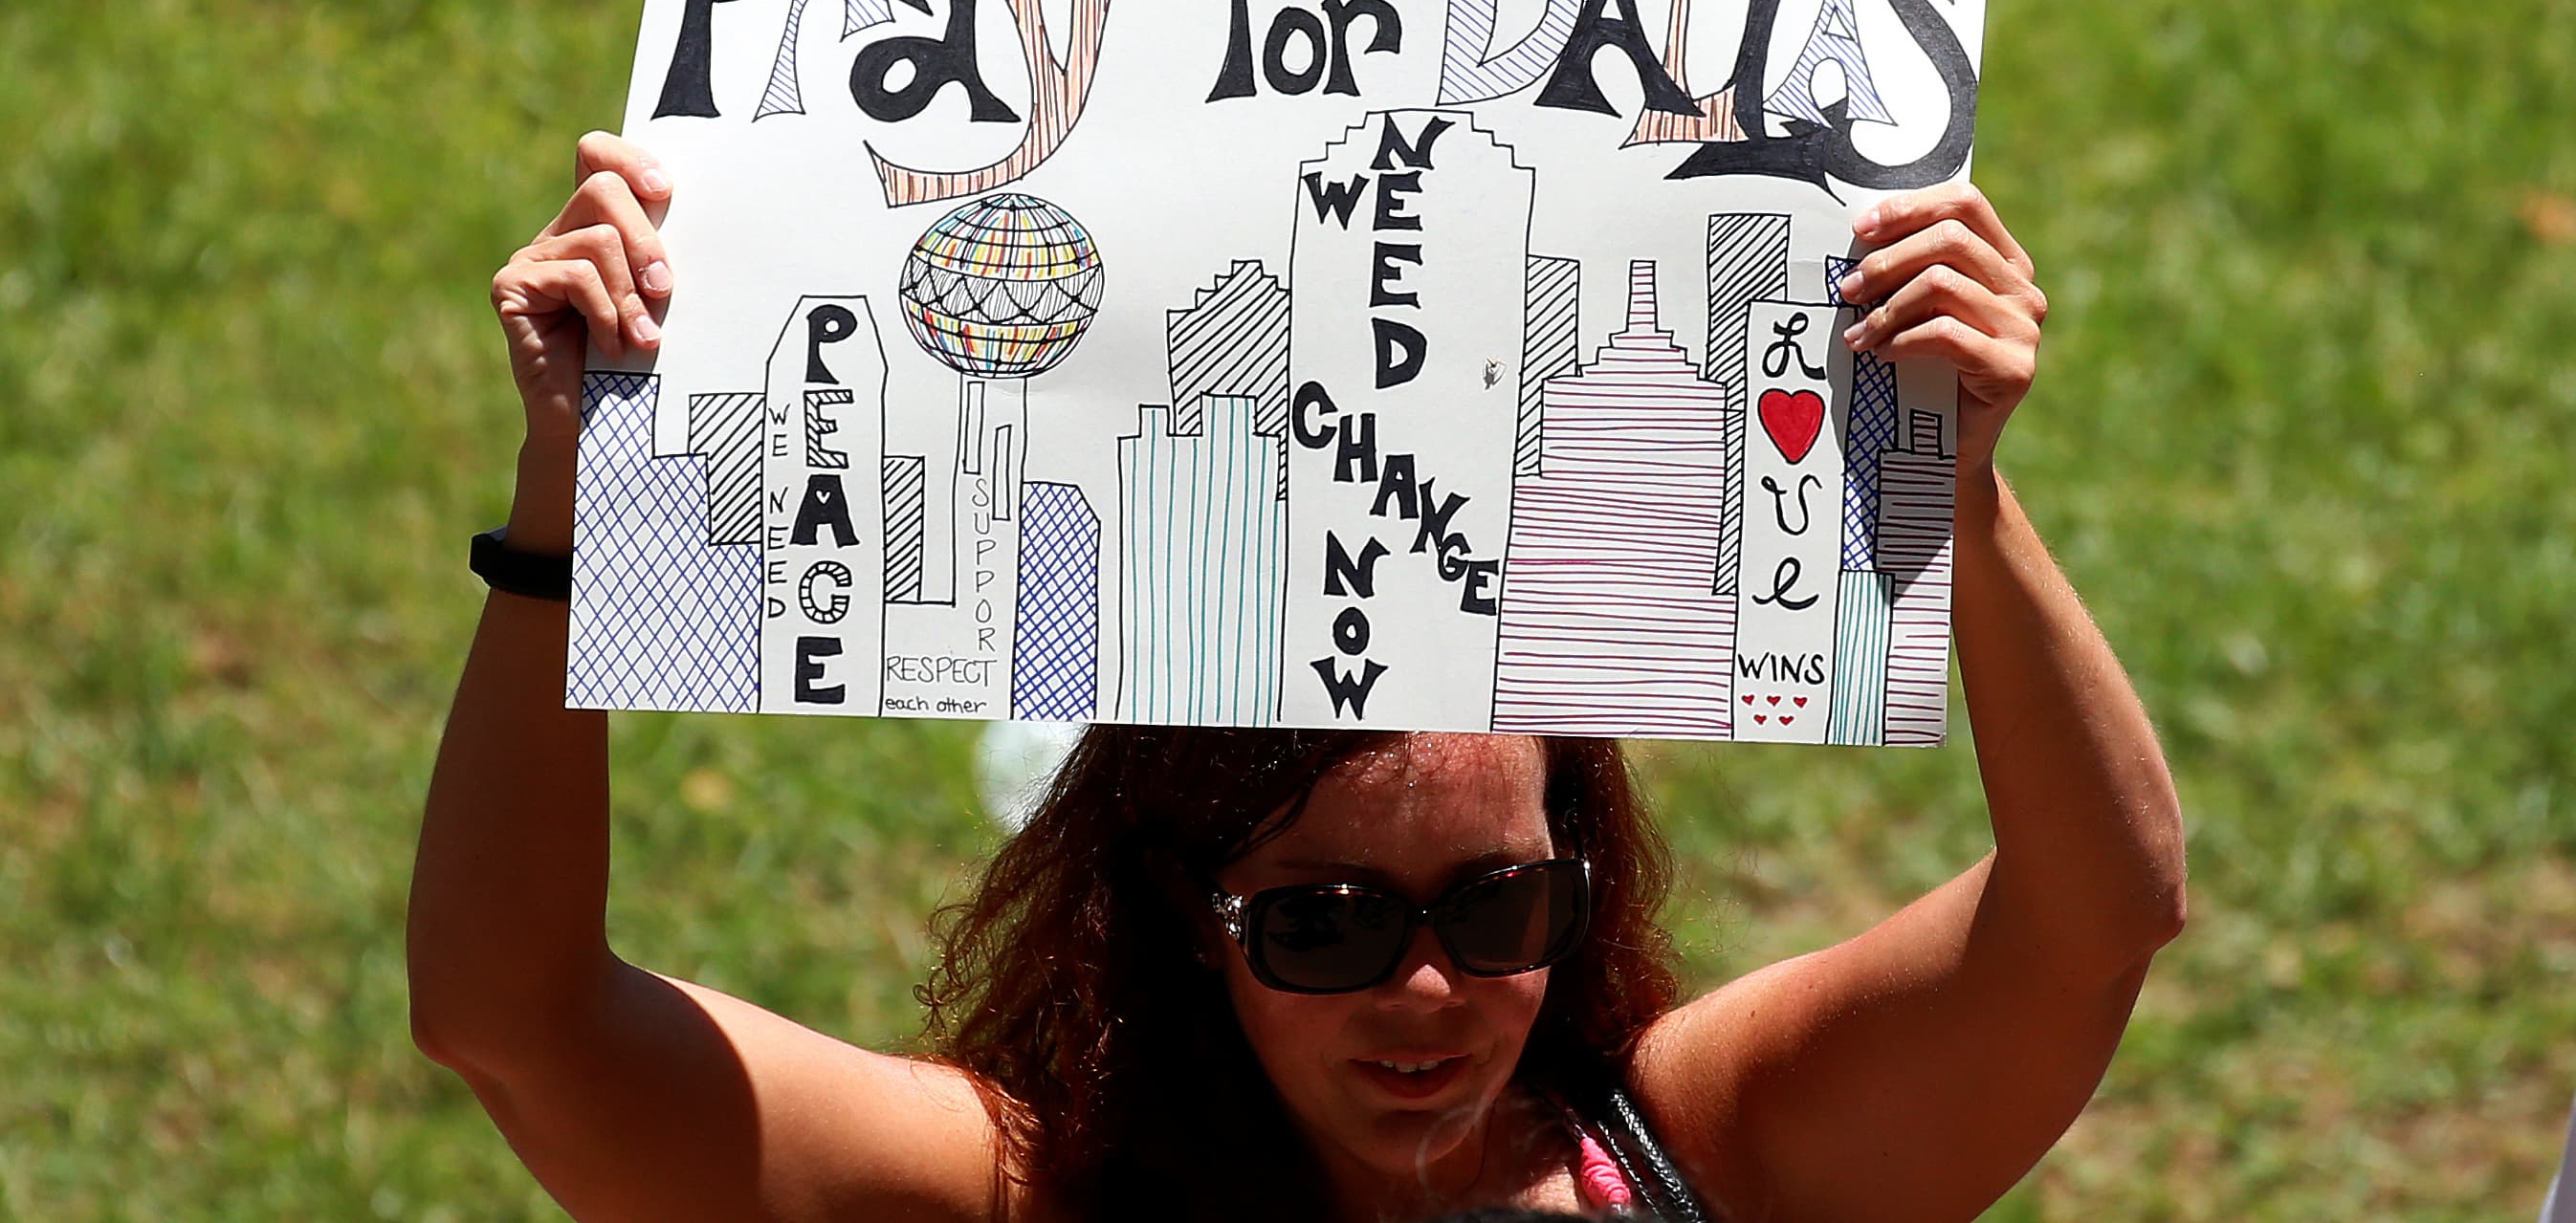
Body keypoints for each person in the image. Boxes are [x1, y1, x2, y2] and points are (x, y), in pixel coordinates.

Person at [408, 134, 2187, 1223]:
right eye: (1324, 924)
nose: (1427, 991)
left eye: (1498, 904)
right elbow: (514, 1020)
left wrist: (1953, 479)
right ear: (1193, 917)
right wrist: (566, 506)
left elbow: (2097, 907)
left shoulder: (1697, 1154)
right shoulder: (1026, 1198)